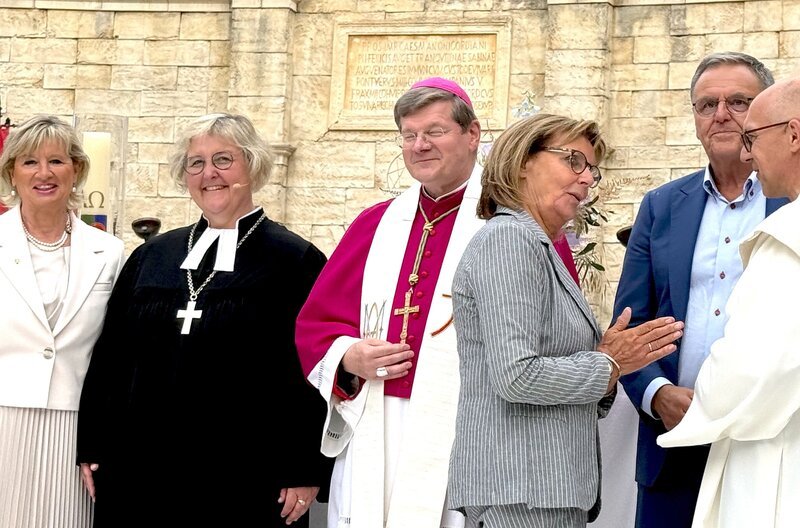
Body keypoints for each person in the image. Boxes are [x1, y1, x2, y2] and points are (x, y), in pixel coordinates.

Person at [295, 78, 584, 528]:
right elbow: (316, 325)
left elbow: (558, 336)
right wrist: (349, 356)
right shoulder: (375, 224)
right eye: (409, 135)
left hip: (472, 430)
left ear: (473, 135)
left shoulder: (520, 224)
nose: (419, 145)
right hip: (377, 426)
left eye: (434, 131)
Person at [76, 113, 333, 527]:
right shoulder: (152, 256)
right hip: (141, 466)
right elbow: (112, 354)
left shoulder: (294, 260)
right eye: (196, 163)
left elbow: (313, 369)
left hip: (245, 473)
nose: (209, 173)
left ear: (253, 166)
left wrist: (303, 467)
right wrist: (93, 442)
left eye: (224, 160)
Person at [445, 112, 684, 528]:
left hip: (541, 490)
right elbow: (517, 376)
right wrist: (609, 363)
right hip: (519, 490)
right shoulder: (510, 239)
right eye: (573, 161)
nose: (588, 178)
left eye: (591, 168)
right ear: (523, 161)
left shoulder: (541, 247)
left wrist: (611, 361)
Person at [612, 51, 787, 528]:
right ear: (694, 118)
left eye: (738, 101)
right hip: (675, 436)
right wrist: (656, 392)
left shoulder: (792, 203)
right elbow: (629, 321)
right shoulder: (662, 206)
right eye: (706, 105)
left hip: (766, 439)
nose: (721, 115)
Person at [658, 77, 800, 528]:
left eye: (753, 137)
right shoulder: (663, 205)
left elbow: (749, 366)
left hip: (775, 453)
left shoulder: (786, 239)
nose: (747, 154)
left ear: (794, 134)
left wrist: (701, 402)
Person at [0, 115, 125, 528]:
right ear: (11, 173)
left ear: (76, 170)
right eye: (30, 162)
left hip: (75, 426)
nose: (44, 173)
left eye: (56, 161)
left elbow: (115, 349)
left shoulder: (109, 251)